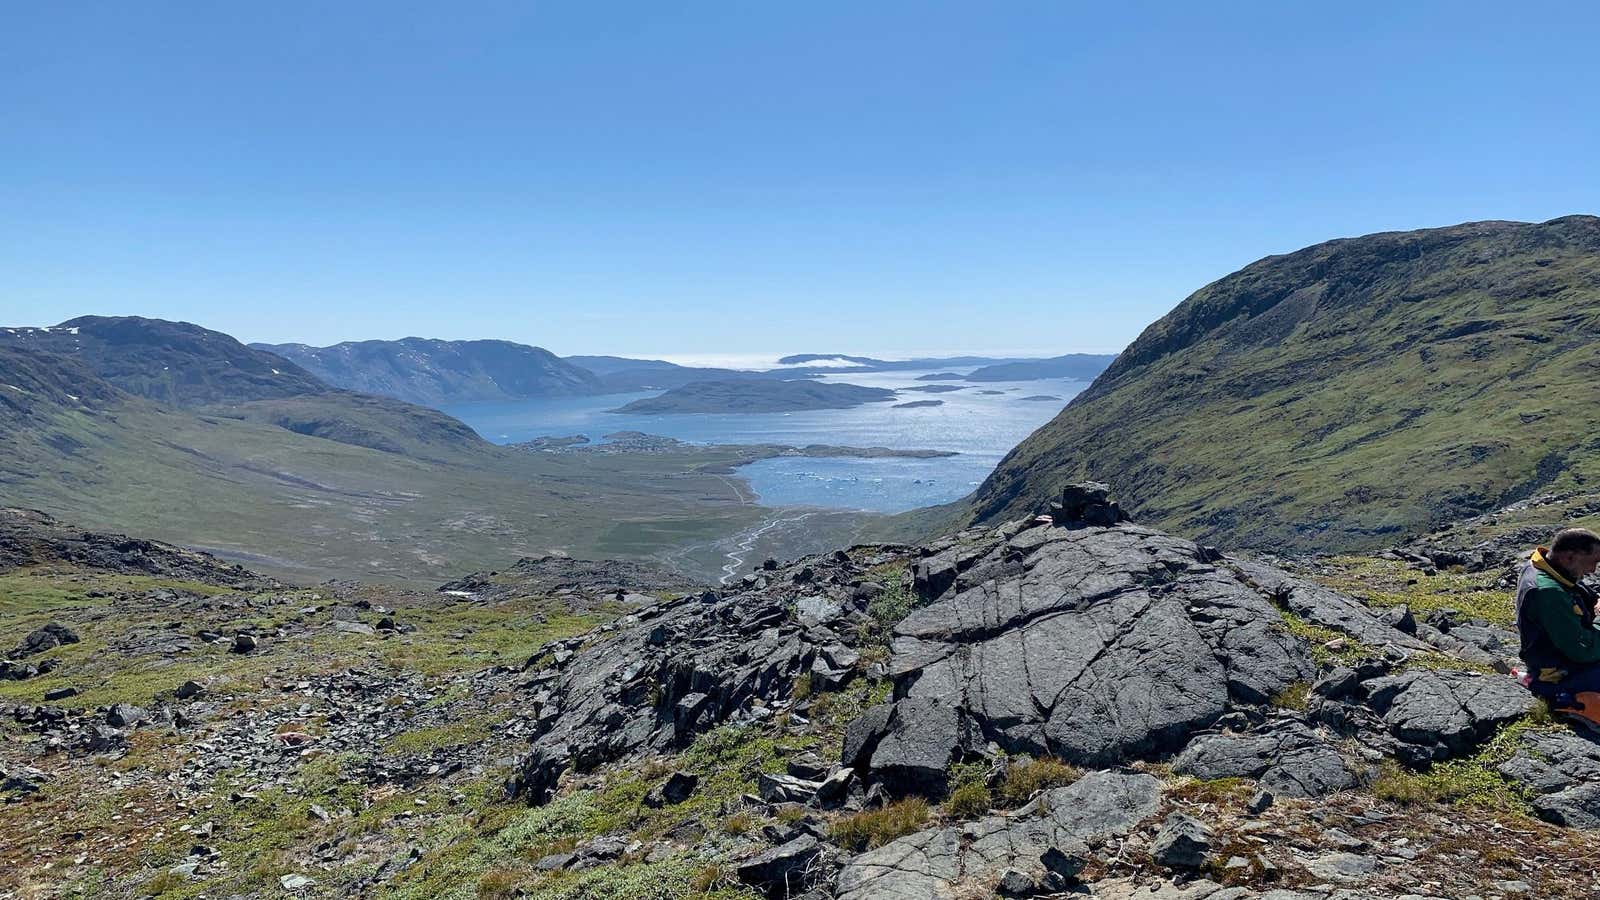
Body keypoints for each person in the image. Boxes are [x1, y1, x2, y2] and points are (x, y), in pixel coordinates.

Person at [1515, 527, 1600, 725]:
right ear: (1570, 557)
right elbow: (1583, 651)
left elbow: (1584, 592)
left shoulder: (1547, 568)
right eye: (1593, 563)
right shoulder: (1548, 592)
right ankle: (1564, 698)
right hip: (1558, 673)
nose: (1593, 571)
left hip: (1559, 657)